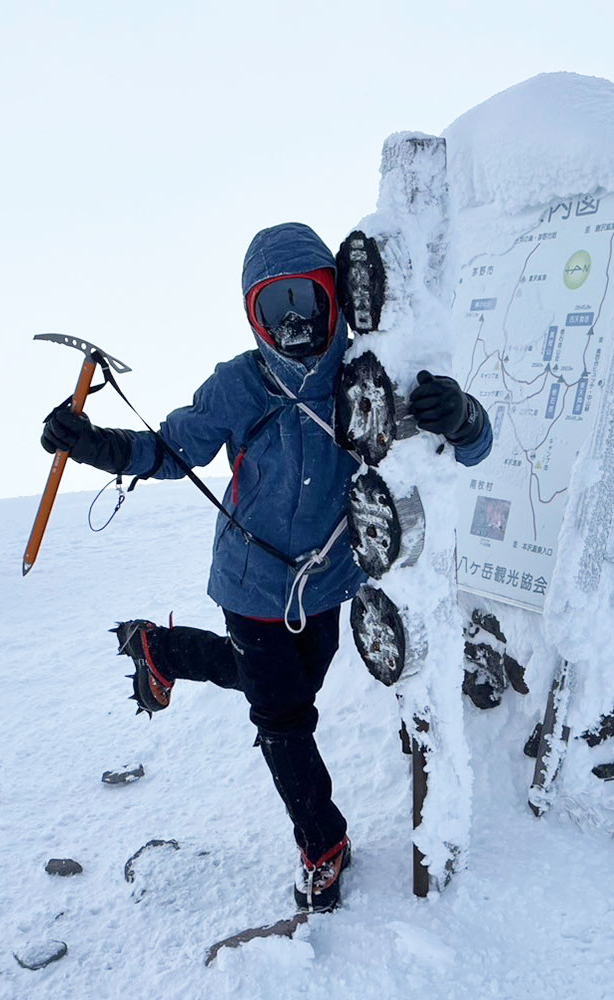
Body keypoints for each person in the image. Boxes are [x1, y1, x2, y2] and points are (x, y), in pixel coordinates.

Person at [41, 222, 491, 912]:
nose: (291, 322)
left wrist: (462, 418)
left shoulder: (369, 376)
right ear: (252, 312)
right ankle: (323, 844)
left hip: (329, 581)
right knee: (283, 717)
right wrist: (95, 445)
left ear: (332, 299)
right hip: (250, 581)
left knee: (290, 683)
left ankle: (160, 650)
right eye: (272, 306)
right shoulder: (237, 386)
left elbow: (470, 452)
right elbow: (169, 451)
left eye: (304, 302)